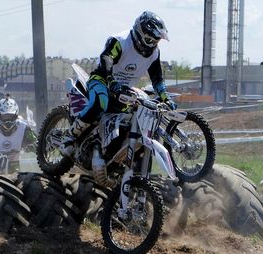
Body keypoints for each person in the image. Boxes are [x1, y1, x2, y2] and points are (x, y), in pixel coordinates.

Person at [60, 11, 176, 157]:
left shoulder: (154, 53)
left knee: (133, 117)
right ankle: (69, 136)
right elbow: (106, 58)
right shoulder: (120, 41)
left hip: (126, 89)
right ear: (140, 33)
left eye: (156, 41)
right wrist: (111, 81)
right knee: (101, 102)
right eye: (149, 39)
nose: (152, 44)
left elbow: (157, 78)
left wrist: (165, 97)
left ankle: (112, 155)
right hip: (102, 79)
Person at [0, 95, 37, 174]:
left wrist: (30, 147)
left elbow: (37, 143)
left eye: (10, 117)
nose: (8, 121)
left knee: (19, 182)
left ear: (16, 115)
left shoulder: (23, 127)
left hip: (15, 165)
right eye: (5, 117)